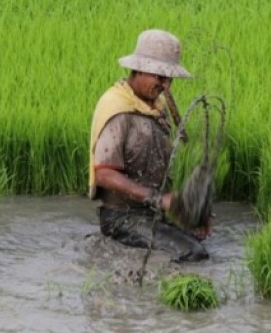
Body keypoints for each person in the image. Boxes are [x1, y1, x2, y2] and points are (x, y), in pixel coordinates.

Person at [88, 29, 211, 262]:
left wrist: (194, 208)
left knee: (202, 241)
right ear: (140, 69)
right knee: (193, 253)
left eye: (169, 79)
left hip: (153, 212)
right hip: (122, 217)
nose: (166, 85)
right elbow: (104, 174)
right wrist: (157, 198)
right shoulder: (116, 108)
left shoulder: (156, 105)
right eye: (160, 77)